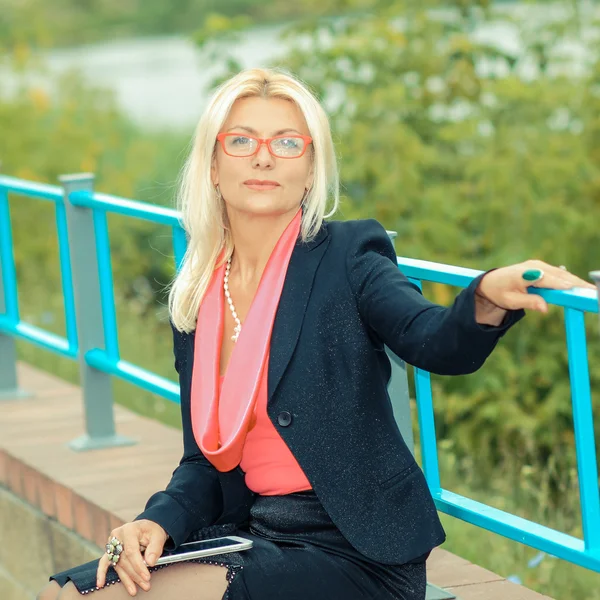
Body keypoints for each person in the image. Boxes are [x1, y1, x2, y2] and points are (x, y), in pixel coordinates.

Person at [37, 67, 595, 600]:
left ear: (310, 167)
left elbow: (432, 340)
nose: (262, 157)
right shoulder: (199, 296)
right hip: (256, 533)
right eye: (241, 141)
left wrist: (486, 295)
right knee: (58, 592)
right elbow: (205, 464)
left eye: (287, 143)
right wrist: (155, 520)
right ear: (212, 165)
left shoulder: (350, 257)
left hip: (358, 551)